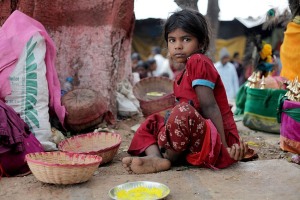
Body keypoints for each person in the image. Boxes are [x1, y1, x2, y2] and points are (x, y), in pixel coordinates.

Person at [122, 9, 250, 174]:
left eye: (186, 39)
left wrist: (223, 147)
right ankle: (156, 158)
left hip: (213, 137)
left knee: (182, 111)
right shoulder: (180, 76)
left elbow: (209, 106)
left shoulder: (198, 62)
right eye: (172, 40)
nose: (178, 46)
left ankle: (168, 157)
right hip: (192, 136)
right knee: (153, 120)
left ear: (201, 43)